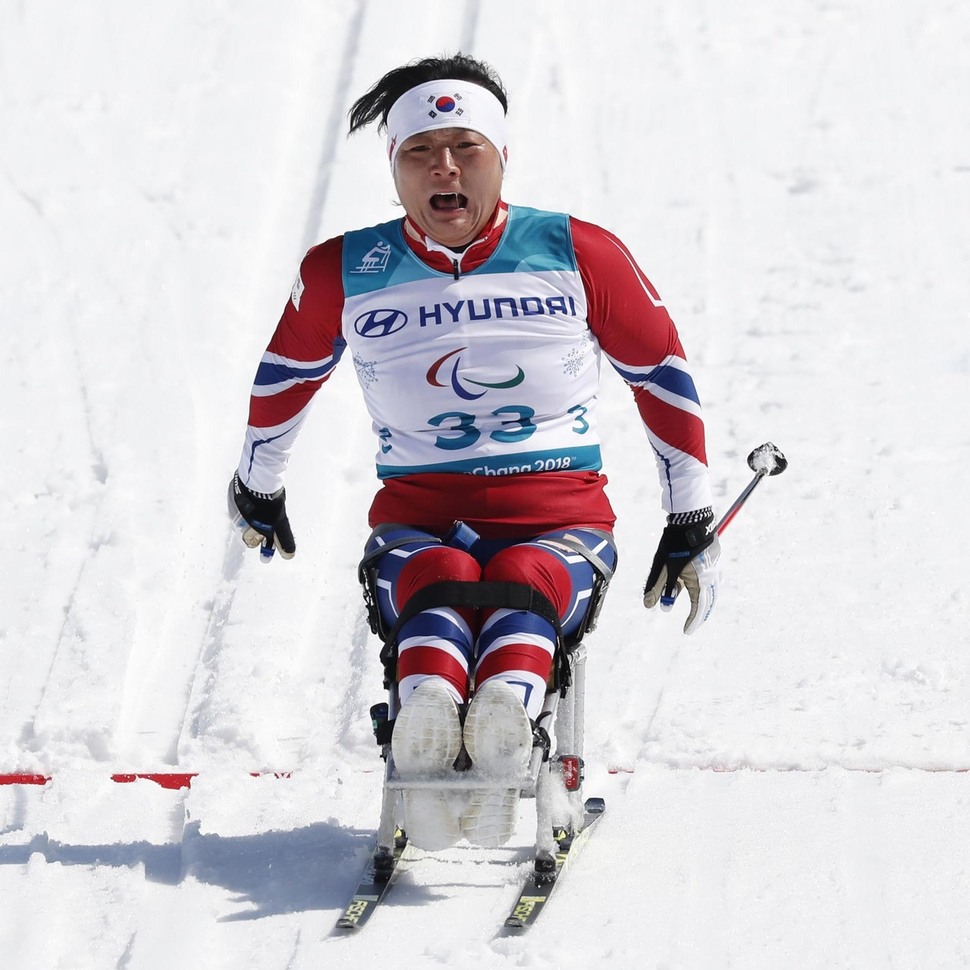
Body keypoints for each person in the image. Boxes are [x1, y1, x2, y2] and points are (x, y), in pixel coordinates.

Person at [228, 53, 721, 850]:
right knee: (439, 579)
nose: (444, 168)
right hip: (419, 520)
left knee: (524, 581)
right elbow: (284, 376)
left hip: (558, 517)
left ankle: (500, 725)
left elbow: (660, 371)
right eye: (419, 151)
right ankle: (428, 727)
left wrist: (690, 515)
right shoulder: (346, 269)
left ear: (501, 156)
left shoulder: (577, 251)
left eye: (465, 146)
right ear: (395, 169)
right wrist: (259, 486)